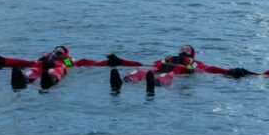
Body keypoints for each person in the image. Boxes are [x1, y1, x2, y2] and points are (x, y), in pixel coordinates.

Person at [107, 44, 253, 94]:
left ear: (192, 53)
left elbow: (210, 68)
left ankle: (155, 84)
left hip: (176, 74)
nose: (183, 50)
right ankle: (124, 81)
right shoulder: (167, 59)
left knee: (168, 75)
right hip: (158, 70)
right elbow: (144, 64)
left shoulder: (194, 63)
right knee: (139, 71)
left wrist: (228, 71)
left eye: (187, 49)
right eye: (182, 48)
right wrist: (121, 61)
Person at [0, 46, 117, 90]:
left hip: (58, 67)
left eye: (60, 51)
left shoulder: (66, 59)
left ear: (65, 53)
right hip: (41, 65)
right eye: (56, 50)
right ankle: (26, 78)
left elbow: (81, 63)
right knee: (33, 68)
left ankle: (51, 79)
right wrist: (4, 60)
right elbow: (29, 62)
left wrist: (107, 62)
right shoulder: (46, 56)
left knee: (56, 71)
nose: (57, 52)